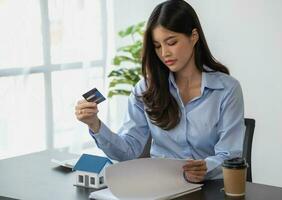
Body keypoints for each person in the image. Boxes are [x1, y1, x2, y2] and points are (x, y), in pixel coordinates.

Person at [75, 0, 245, 183]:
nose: (164, 53)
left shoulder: (226, 89)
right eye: (157, 46)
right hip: (161, 187)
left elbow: (230, 155)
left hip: (211, 189)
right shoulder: (145, 89)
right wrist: (95, 125)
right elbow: (128, 151)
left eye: (171, 42)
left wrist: (205, 168)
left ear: (194, 36)